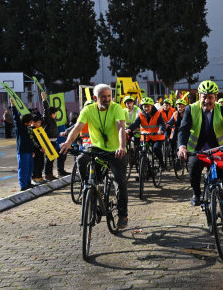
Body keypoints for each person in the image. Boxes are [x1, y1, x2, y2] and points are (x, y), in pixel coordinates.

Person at [59, 84, 129, 228]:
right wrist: (67, 142)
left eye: (109, 96)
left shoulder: (116, 108)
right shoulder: (88, 110)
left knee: (119, 182)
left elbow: (121, 127)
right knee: (81, 159)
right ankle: (89, 186)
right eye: (104, 97)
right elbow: (78, 127)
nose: (107, 99)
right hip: (97, 148)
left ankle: (123, 215)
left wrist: (122, 146)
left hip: (116, 150)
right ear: (95, 98)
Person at [177, 80, 223, 233]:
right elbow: (183, 129)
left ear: (216, 97)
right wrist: (182, 146)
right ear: (199, 96)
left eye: (210, 97)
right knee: (192, 172)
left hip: (218, 151)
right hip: (197, 150)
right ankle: (197, 194)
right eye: (204, 96)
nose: (207, 100)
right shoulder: (190, 109)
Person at [126, 97, 167, 169]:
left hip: (157, 137)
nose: (146, 108)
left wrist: (161, 130)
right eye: (144, 106)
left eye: (148, 106)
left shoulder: (157, 114)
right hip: (145, 137)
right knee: (140, 153)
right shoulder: (141, 114)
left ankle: (162, 163)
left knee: (156, 149)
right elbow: (135, 123)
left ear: (151, 106)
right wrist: (129, 129)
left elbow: (161, 124)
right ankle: (142, 173)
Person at [11, 106, 36, 191]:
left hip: (29, 151)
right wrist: (13, 106)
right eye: (30, 121)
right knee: (23, 168)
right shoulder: (20, 128)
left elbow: (31, 140)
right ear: (26, 122)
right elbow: (16, 118)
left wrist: (32, 150)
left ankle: (28, 183)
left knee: (29, 168)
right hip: (22, 151)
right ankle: (23, 185)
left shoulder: (29, 129)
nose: (32, 123)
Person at [41, 93, 60, 180]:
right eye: (55, 113)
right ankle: (47, 174)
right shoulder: (48, 119)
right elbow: (46, 111)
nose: (56, 114)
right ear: (52, 113)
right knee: (49, 159)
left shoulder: (53, 120)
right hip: (49, 140)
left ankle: (50, 174)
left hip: (53, 141)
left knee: (52, 158)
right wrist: (44, 100)